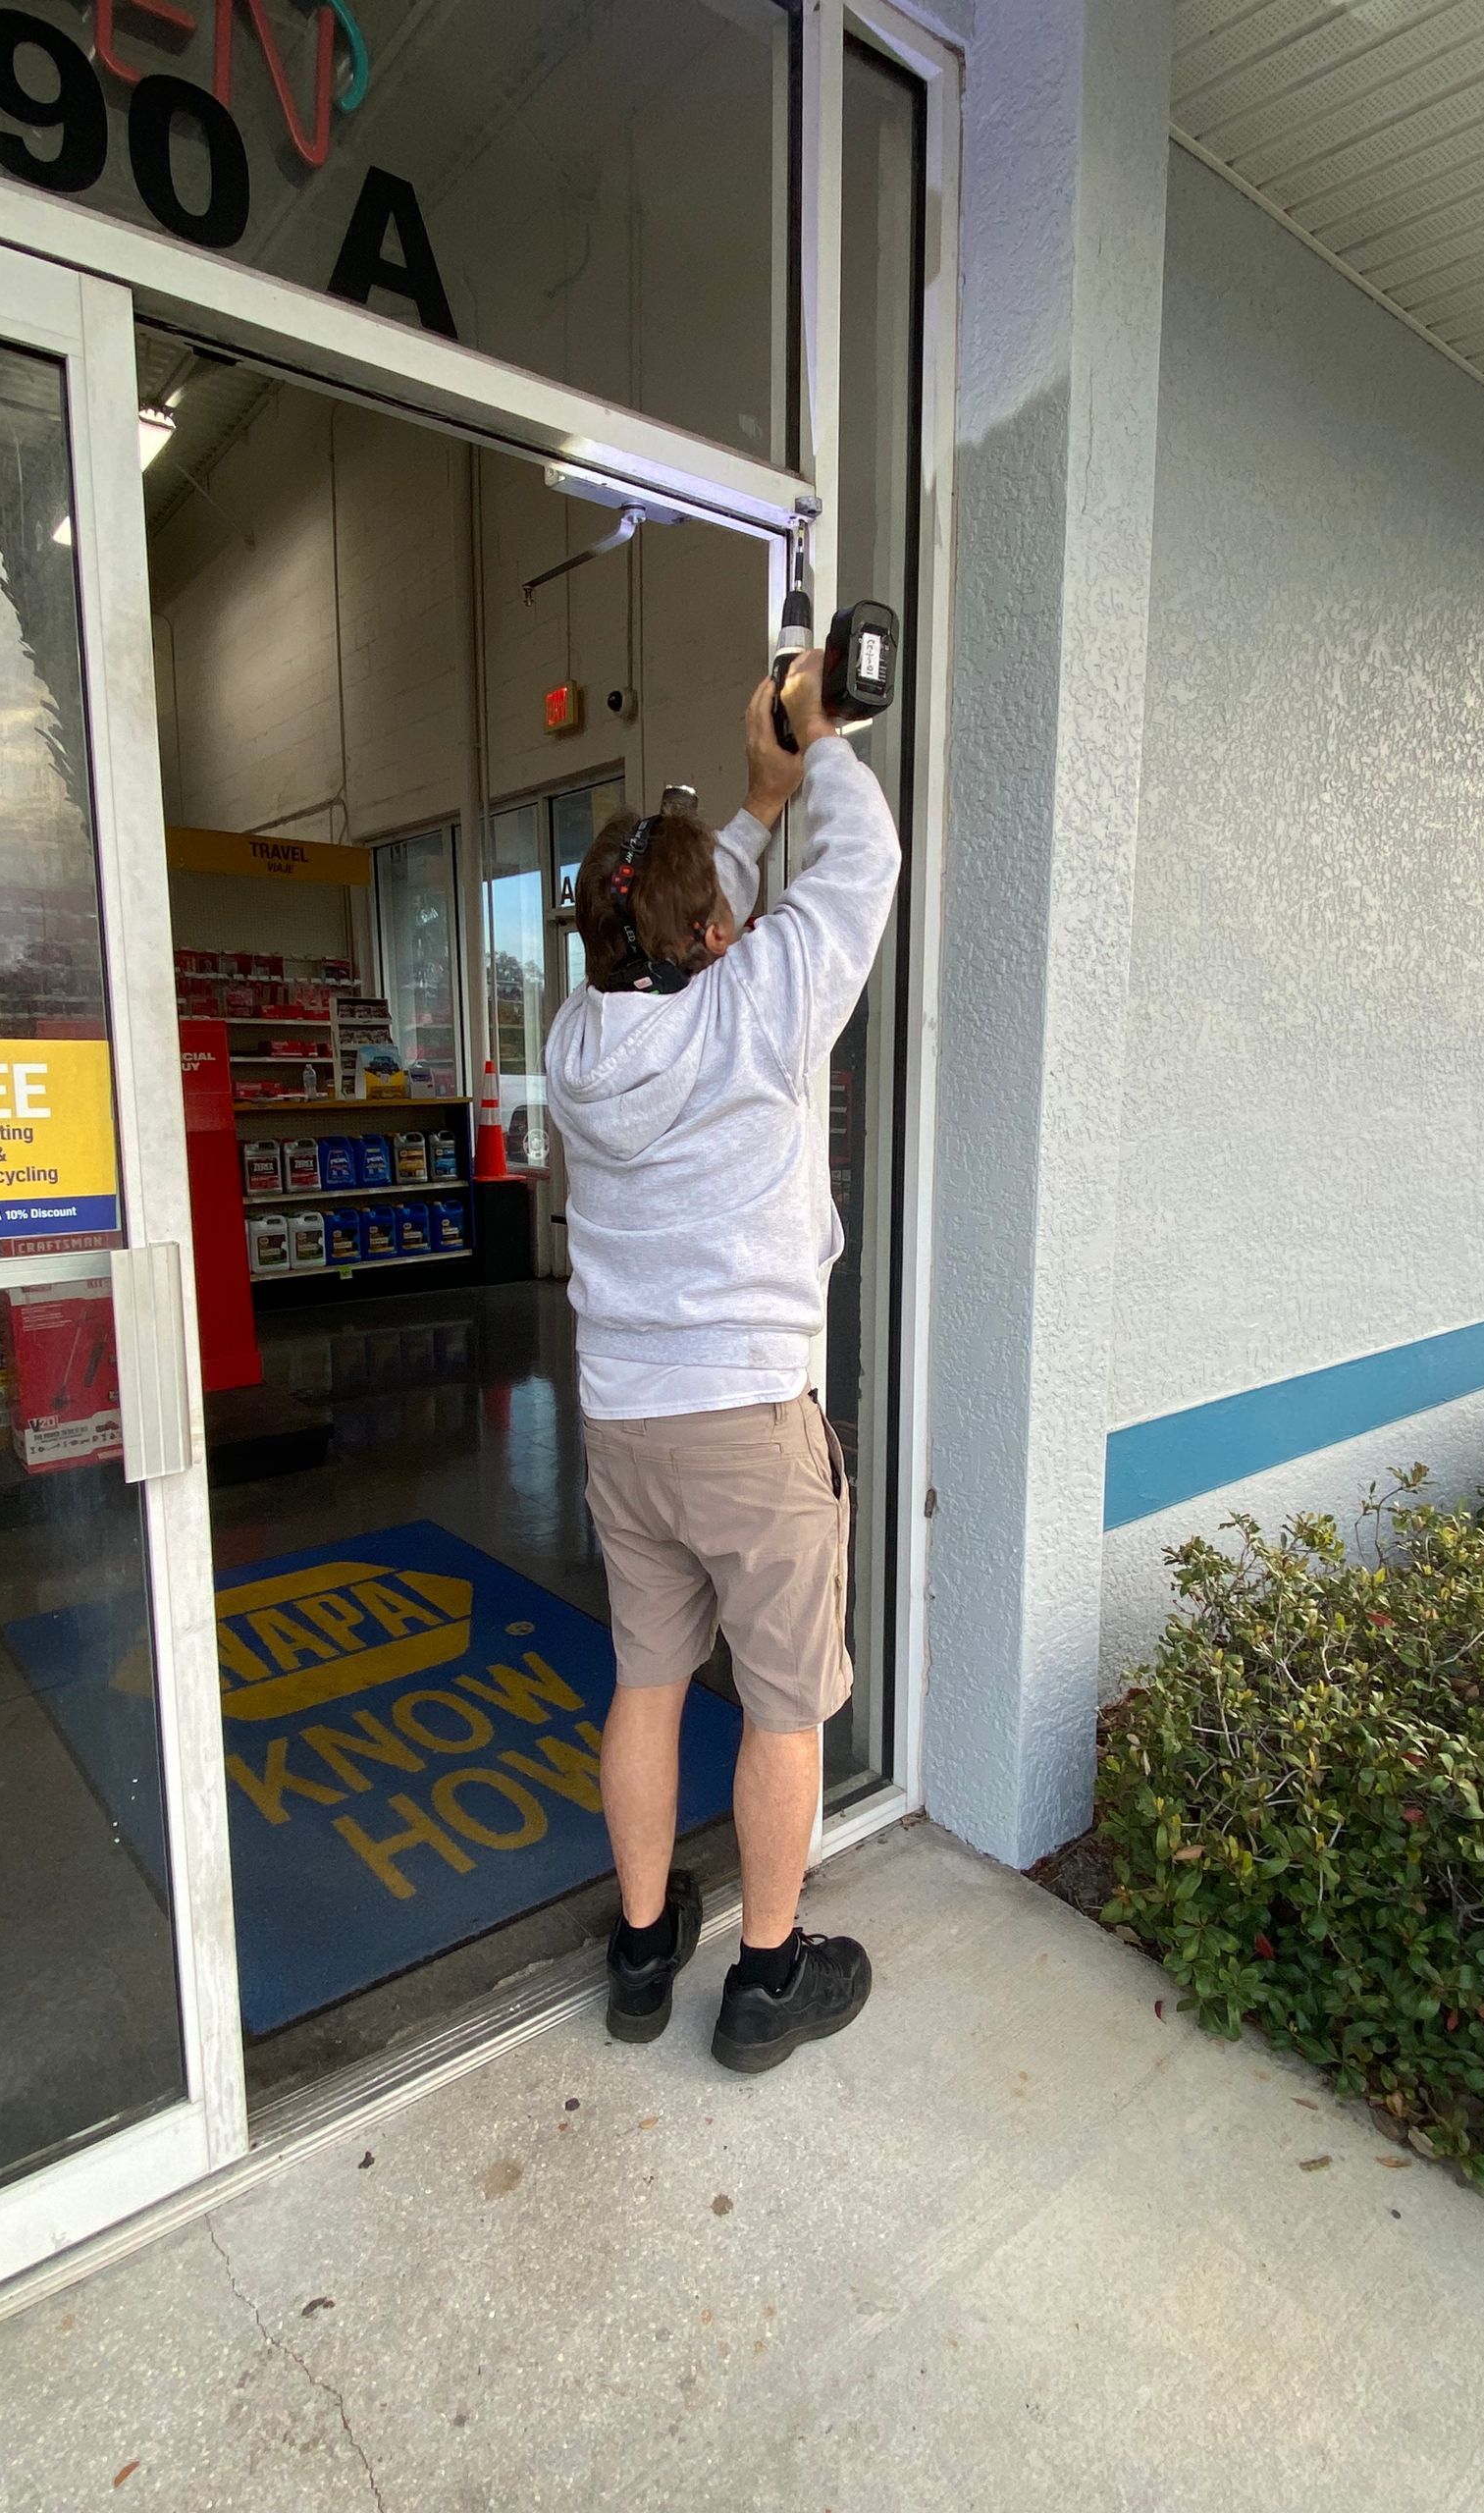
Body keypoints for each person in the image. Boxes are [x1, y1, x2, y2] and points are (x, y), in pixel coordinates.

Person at [544, 649, 901, 2072]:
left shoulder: (579, 1038)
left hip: (627, 1424)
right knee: (786, 1703)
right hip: (749, 1419)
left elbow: (690, 933)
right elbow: (858, 867)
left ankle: (640, 1956)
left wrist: (751, 810)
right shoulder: (761, 1012)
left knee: (644, 1679)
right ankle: (765, 1977)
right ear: (713, 938)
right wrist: (822, 746)